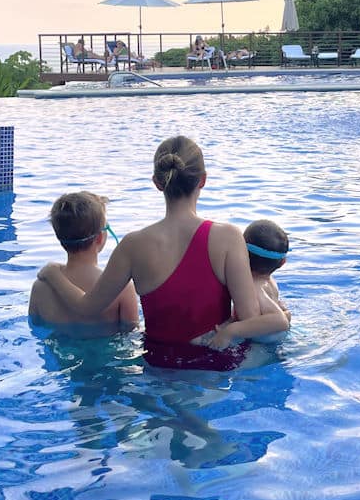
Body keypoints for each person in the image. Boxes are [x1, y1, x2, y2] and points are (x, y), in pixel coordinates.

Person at [37, 135, 279, 369]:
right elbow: (250, 318)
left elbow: (87, 307)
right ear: (203, 180)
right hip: (216, 363)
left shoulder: (132, 245)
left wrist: (52, 273)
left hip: (158, 365)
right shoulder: (228, 237)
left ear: (157, 182)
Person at [29, 191, 139, 327]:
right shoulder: (122, 289)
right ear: (99, 238)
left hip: (60, 347)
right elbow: (132, 333)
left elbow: (35, 327)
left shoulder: (40, 288)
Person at [203, 219, 291, 349]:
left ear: (242, 253)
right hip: (272, 338)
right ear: (282, 262)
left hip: (263, 342)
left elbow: (280, 322)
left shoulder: (255, 286)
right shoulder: (269, 281)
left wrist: (230, 331)